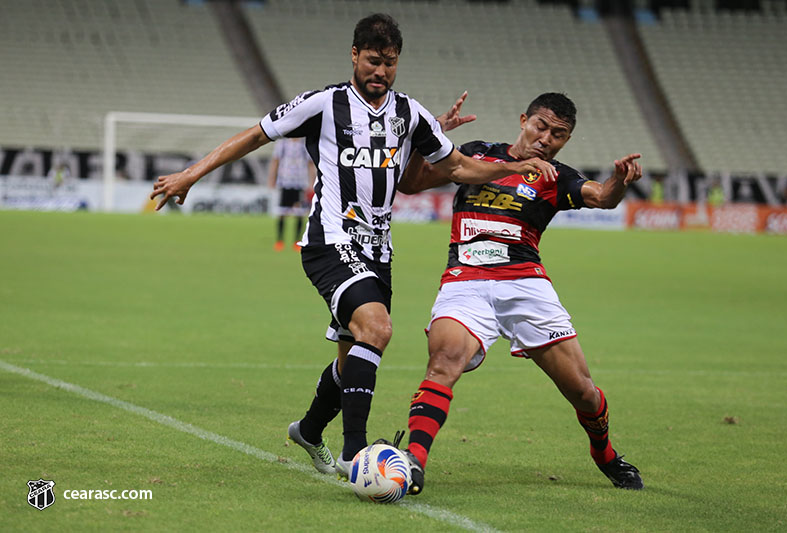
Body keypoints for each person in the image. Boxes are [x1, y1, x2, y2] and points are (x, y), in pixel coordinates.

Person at [150, 13, 554, 478]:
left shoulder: (410, 114)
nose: (380, 71)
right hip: (330, 240)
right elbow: (255, 134)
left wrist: (506, 166)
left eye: (390, 63)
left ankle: (309, 429)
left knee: (352, 356)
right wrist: (190, 174)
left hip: (378, 251)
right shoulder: (323, 103)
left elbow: (459, 167)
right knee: (377, 329)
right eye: (372, 61)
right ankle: (355, 455)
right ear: (355, 56)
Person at [395, 92, 645, 494]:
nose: (547, 138)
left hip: (525, 285)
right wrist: (433, 134)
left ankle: (606, 455)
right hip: (466, 280)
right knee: (444, 361)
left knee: (582, 391)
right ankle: (414, 462)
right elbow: (409, 183)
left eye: (559, 134)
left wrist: (619, 180)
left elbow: (601, 197)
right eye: (541, 126)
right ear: (524, 119)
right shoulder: (478, 155)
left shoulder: (557, 176)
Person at [266, 138, 315, 251]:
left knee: (299, 212)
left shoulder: (304, 144)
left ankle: (297, 241)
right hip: (285, 181)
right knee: (282, 212)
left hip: (300, 183)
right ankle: (280, 240)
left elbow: (310, 164)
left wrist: (311, 183)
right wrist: (271, 179)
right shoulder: (282, 144)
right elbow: (275, 161)